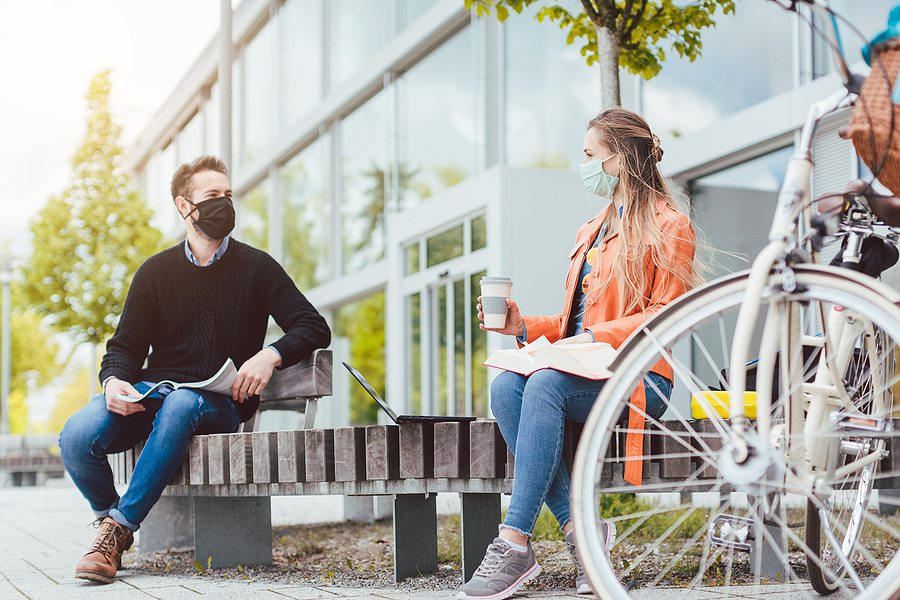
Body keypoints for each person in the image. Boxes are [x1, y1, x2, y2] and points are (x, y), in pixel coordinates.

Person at [458, 109, 698, 600]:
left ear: (620, 159)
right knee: (506, 385)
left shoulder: (671, 226)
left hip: (641, 378)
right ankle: (582, 534)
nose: (583, 164)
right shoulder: (590, 229)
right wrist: (523, 326)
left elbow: (666, 316)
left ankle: (515, 540)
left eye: (590, 155)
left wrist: (596, 339)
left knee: (544, 383)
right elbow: (574, 325)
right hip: (583, 370)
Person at [59, 155, 331, 584]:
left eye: (228, 195)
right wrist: (113, 382)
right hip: (154, 393)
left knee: (184, 402)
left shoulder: (257, 267)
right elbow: (124, 348)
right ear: (185, 206)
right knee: (76, 436)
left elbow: (313, 325)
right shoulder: (154, 273)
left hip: (219, 401)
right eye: (212, 196)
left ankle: (117, 530)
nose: (225, 203)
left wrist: (269, 355)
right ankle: (111, 523)